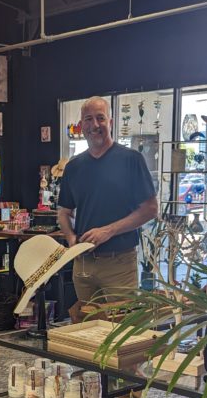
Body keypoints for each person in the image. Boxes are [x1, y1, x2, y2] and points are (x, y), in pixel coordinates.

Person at [57, 96, 158, 317]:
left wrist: (108, 231)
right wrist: (71, 239)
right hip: (83, 263)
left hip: (119, 263)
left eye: (100, 118)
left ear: (110, 122)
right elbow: (64, 212)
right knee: (87, 330)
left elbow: (150, 209)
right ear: (81, 125)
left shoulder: (131, 160)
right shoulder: (73, 167)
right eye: (88, 119)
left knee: (121, 333)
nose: (95, 125)